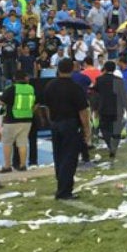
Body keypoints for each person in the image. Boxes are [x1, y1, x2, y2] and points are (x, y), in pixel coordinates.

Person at [43, 58, 91, 200]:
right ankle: (64, 191)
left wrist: (50, 120)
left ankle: (61, 186)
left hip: (56, 123)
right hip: (70, 124)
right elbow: (83, 111)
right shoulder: (75, 88)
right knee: (69, 158)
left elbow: (45, 107)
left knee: (58, 156)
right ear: (72, 69)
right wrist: (86, 129)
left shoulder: (50, 85)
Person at [0, 71, 36, 172]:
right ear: (25, 78)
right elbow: (35, 103)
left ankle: (7, 166)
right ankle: (23, 165)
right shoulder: (31, 88)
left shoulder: (11, 89)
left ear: (14, 78)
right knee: (22, 143)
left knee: (7, 143)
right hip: (27, 119)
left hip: (11, 120)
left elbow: (2, 101)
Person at [93, 61, 127, 159]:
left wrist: (95, 109)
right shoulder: (119, 80)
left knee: (104, 128)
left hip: (103, 108)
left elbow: (96, 95)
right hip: (117, 108)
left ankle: (109, 145)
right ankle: (114, 147)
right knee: (116, 129)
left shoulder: (99, 80)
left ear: (105, 68)